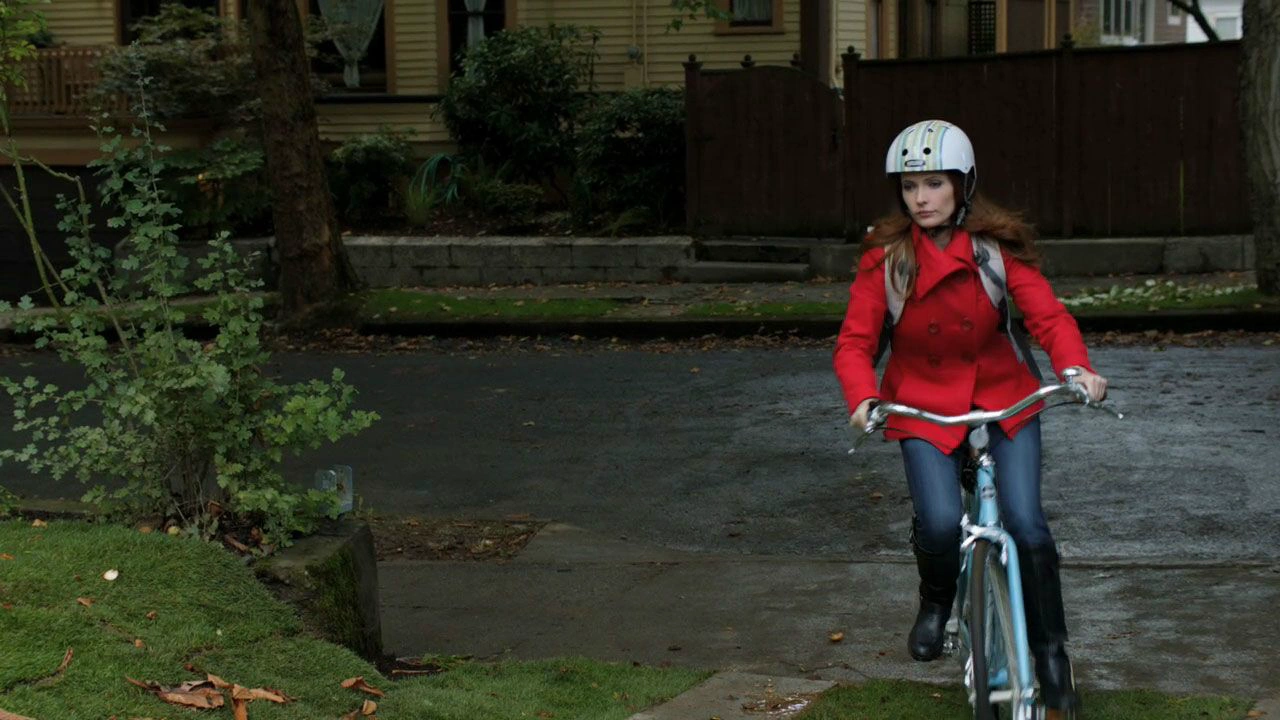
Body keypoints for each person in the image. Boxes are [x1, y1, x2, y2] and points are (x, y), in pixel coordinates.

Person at [832, 119, 1107, 717]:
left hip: (1005, 400)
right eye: (910, 186)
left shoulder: (993, 251)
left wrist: (1076, 368)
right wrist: (862, 397)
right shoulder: (886, 259)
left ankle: (1052, 657)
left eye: (934, 183)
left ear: (963, 185)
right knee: (937, 524)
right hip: (922, 406)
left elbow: (1048, 317)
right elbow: (855, 341)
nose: (921, 198)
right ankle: (936, 601)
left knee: (1029, 527)